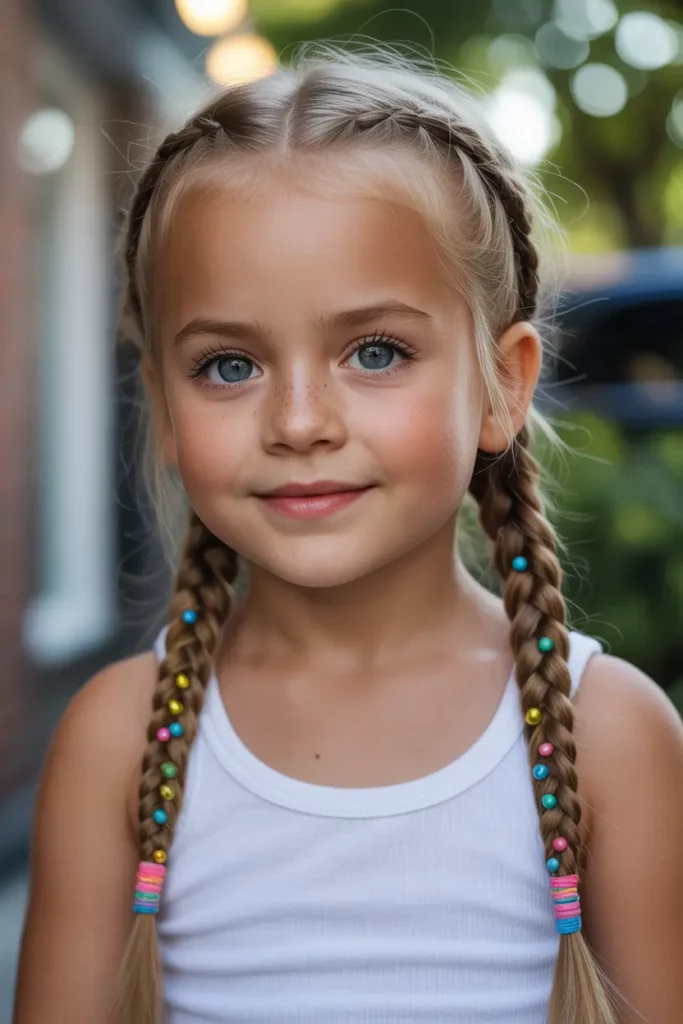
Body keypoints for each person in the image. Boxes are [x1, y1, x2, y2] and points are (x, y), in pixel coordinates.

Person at [13, 46, 683, 1024]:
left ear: (504, 384)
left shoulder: (606, 736)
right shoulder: (118, 738)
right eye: (228, 365)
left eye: (375, 352)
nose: (296, 420)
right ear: (159, 404)